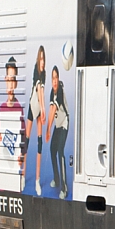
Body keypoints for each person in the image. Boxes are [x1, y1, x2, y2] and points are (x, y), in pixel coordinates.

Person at [0, 57, 26, 192]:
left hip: (14, 176)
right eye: (8, 80)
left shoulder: (19, 109)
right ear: (5, 80)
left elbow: (23, 144)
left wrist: (21, 160)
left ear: (16, 83)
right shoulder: (1, 109)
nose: (10, 84)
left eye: (13, 80)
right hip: (4, 175)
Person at [45, 65, 70, 199]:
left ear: (58, 78)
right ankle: (57, 178)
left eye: (56, 78)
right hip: (57, 125)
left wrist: (48, 129)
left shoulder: (60, 91)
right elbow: (50, 111)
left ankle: (64, 188)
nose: (54, 81)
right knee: (52, 150)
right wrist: (49, 128)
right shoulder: (51, 92)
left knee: (60, 152)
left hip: (64, 123)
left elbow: (54, 109)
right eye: (52, 78)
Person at [24, 46, 47, 196]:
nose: (43, 62)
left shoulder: (44, 73)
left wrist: (43, 108)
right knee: (26, 141)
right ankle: (22, 175)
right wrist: (43, 109)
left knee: (39, 143)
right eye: (41, 59)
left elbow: (43, 92)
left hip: (39, 105)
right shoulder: (35, 70)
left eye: (44, 59)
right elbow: (38, 90)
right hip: (34, 105)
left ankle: (37, 180)